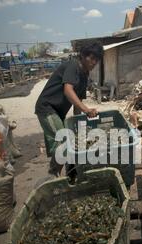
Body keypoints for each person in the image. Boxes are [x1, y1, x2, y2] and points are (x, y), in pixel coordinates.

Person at [35, 42, 102, 179]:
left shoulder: (85, 74)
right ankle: (53, 175)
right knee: (64, 142)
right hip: (47, 108)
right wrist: (87, 110)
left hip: (58, 112)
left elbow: (78, 102)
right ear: (83, 56)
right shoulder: (73, 65)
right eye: (92, 58)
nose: (94, 62)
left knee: (71, 142)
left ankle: (71, 176)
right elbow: (68, 90)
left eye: (97, 59)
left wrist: (77, 124)